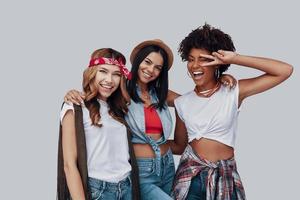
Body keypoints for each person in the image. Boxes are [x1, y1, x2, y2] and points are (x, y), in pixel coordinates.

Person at [64, 39, 236, 200]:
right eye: (147, 62)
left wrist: (218, 81)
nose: (150, 69)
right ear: (138, 62)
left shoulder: (160, 95)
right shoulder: (122, 92)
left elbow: (194, 102)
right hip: (141, 170)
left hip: (167, 167)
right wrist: (74, 93)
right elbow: (101, 91)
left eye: (158, 67)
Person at [172, 23, 293, 200]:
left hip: (225, 178)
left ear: (217, 63)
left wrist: (234, 58)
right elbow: (179, 146)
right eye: (191, 59)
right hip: (191, 179)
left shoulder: (233, 91)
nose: (195, 65)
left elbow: (284, 71)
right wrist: (142, 147)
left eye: (204, 59)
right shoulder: (182, 102)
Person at [57, 48, 140, 200]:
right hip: (97, 191)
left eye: (116, 74)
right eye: (103, 71)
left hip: (127, 187)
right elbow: (69, 165)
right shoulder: (75, 107)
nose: (110, 80)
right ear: (92, 72)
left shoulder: (119, 109)